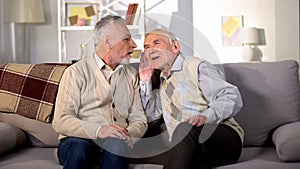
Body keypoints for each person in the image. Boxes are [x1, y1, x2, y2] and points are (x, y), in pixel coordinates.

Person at [139, 29, 244, 169]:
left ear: (175, 46)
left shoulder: (196, 66)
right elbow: (151, 116)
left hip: (222, 138)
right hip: (190, 147)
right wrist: (145, 81)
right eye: (146, 47)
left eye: (156, 43)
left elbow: (230, 96)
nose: (150, 50)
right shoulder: (162, 79)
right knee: (132, 150)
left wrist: (206, 116)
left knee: (184, 128)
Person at [52, 15, 147, 169]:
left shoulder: (130, 75)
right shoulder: (76, 72)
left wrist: (128, 134)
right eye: (126, 39)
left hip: (115, 143)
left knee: (117, 146)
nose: (134, 44)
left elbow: (139, 118)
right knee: (78, 148)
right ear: (107, 42)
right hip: (77, 141)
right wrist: (99, 130)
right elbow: (61, 120)